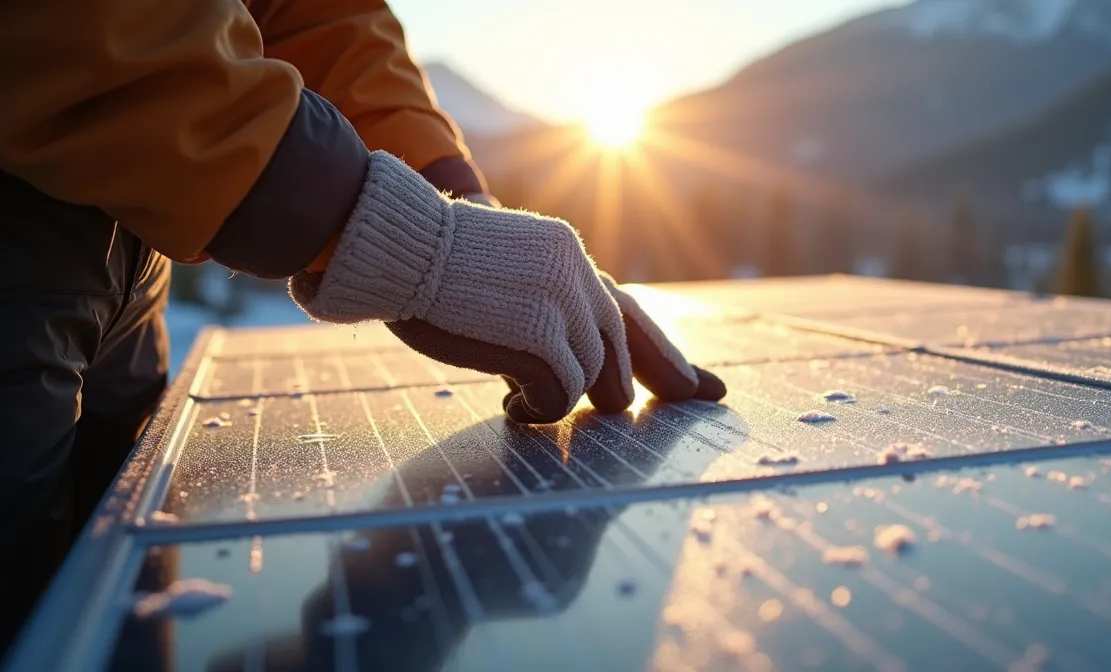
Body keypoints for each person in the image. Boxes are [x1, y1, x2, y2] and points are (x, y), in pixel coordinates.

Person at [0, 0, 726, 653]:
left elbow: (313, 13)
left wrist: (462, 206)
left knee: (111, 612)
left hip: (133, 244)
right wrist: (401, 237)